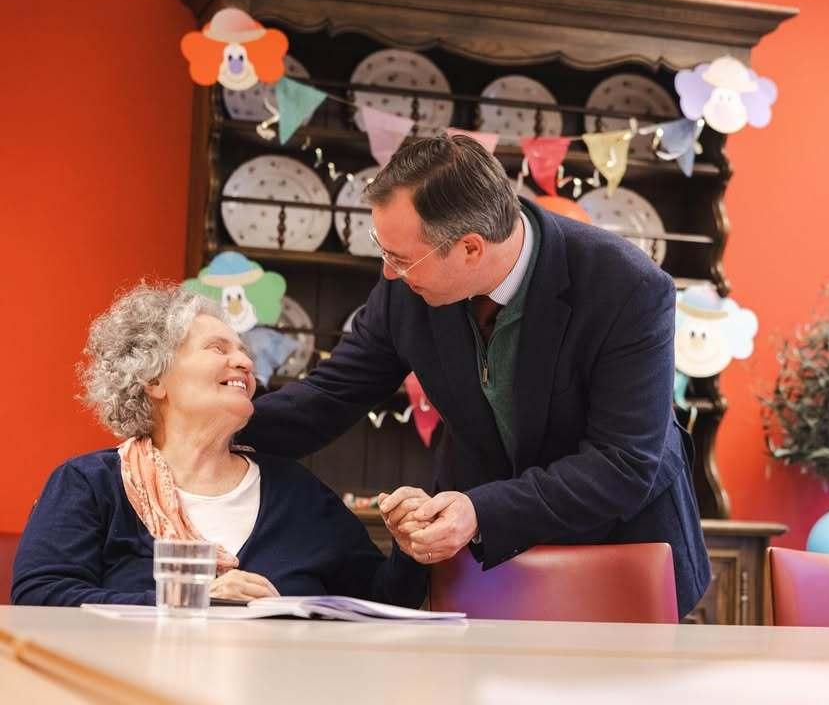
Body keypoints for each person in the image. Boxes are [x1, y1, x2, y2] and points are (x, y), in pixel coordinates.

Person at [241, 135, 711, 617]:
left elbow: (622, 463)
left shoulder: (628, 287)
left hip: (622, 548)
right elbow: (334, 393)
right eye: (384, 251)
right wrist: (222, 427)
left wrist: (481, 511)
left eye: (400, 258)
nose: (388, 273)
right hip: (486, 561)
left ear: (470, 248)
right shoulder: (408, 283)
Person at [12, 285, 427, 607]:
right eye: (218, 348)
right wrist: (192, 601)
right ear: (154, 379)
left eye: (244, 353)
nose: (246, 363)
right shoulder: (89, 484)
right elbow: (40, 597)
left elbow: (381, 600)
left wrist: (409, 550)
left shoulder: (297, 492)